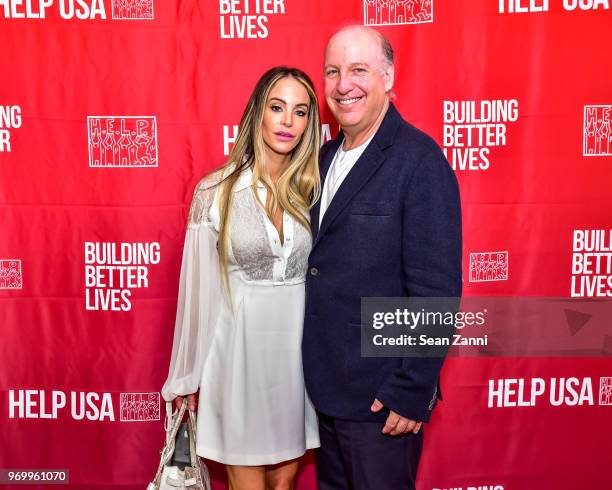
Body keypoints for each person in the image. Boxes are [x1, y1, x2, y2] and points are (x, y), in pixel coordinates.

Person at [302, 26, 462, 489]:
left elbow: (436, 290)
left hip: (381, 402)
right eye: (332, 72)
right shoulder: (324, 157)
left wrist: (411, 390)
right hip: (325, 394)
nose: (342, 84)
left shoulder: (420, 160)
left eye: (358, 70)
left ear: (388, 76)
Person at [161, 66, 322, 490]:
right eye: (277, 107)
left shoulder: (313, 191)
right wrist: (187, 379)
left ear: (310, 123)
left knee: (285, 485)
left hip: (295, 366)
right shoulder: (215, 190)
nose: (288, 121)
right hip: (236, 362)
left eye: (300, 111)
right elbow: (195, 294)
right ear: (258, 113)